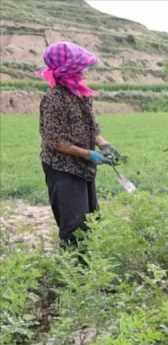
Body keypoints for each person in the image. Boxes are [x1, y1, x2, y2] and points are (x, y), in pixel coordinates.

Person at [38, 41, 121, 247]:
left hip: (83, 167)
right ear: (68, 68)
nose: (84, 71)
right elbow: (55, 141)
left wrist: (104, 145)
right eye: (80, 66)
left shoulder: (81, 93)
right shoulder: (54, 98)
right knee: (74, 227)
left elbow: (92, 126)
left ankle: (88, 266)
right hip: (62, 168)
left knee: (91, 220)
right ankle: (73, 271)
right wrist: (89, 154)